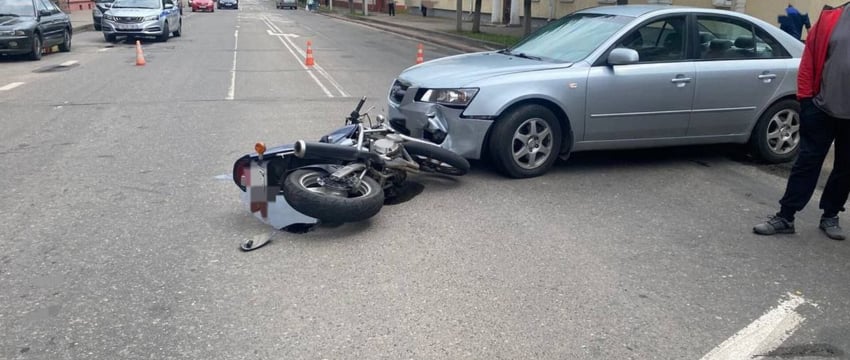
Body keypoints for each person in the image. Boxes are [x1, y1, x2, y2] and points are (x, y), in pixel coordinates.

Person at [753, 2, 850, 241]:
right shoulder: (832, 18)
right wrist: (806, 99)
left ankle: (830, 215)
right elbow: (809, 59)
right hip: (822, 107)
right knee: (806, 163)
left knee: (846, 169)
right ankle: (786, 216)